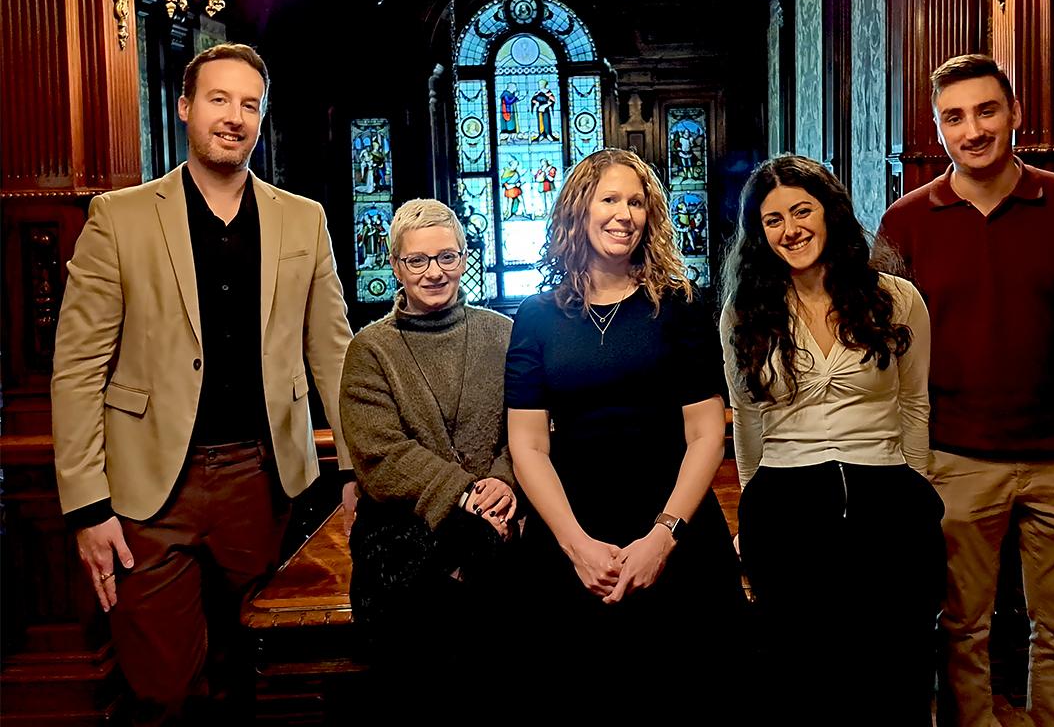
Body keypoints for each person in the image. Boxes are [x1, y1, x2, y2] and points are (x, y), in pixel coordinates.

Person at [51, 43, 355, 724]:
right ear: (186, 107)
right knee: (161, 690)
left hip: (265, 479)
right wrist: (86, 508)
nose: (234, 117)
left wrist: (356, 471)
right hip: (148, 489)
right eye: (219, 99)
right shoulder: (119, 217)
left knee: (249, 676)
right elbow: (76, 370)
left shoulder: (302, 219)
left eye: (250, 104)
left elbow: (333, 354)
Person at [877, 54, 1054, 727]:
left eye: (987, 111)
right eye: (954, 117)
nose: (973, 129)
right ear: (937, 128)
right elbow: (885, 344)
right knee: (960, 631)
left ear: (1016, 115)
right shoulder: (906, 222)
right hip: (954, 460)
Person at [505, 148, 744, 693]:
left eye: (636, 202)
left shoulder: (679, 306)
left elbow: (708, 432)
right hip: (573, 529)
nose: (624, 213)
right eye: (609, 198)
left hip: (673, 524)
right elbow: (528, 445)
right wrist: (575, 545)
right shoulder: (537, 317)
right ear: (577, 211)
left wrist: (664, 536)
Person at [721, 154, 946, 723]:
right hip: (786, 498)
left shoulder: (896, 298)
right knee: (799, 667)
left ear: (831, 212)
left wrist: (915, 493)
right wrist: (751, 514)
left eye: (802, 211)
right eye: (773, 220)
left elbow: (915, 402)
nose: (791, 230)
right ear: (759, 233)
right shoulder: (744, 311)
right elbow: (747, 419)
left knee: (893, 662)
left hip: (886, 494)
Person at [339, 199, 517, 688]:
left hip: (503, 546)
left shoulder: (504, 334)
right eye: (417, 260)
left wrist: (502, 483)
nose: (434, 272)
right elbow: (381, 455)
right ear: (396, 265)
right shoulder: (370, 350)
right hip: (404, 561)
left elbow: (531, 429)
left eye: (447, 257)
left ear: (464, 257)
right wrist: (469, 497)